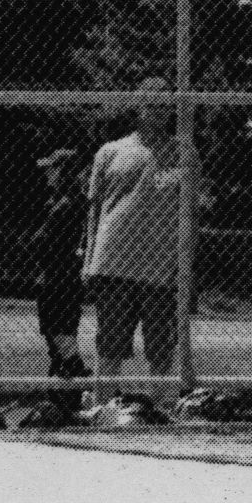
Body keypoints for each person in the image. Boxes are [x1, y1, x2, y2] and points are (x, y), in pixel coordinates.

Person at [83, 78, 186, 380]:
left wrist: (184, 265)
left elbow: (187, 214)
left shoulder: (183, 153)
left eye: (166, 105)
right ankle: (103, 412)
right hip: (113, 262)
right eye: (152, 104)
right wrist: (90, 260)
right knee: (110, 345)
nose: (160, 111)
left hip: (161, 265)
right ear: (138, 108)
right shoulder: (109, 151)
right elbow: (95, 211)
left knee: (162, 346)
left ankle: (162, 411)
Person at [31, 147, 91, 381]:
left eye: (53, 169)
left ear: (65, 171)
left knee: (61, 337)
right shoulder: (66, 201)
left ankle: (79, 382)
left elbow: (42, 243)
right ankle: (62, 395)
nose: (48, 173)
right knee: (59, 341)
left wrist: (36, 242)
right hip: (63, 278)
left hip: (58, 279)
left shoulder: (66, 205)